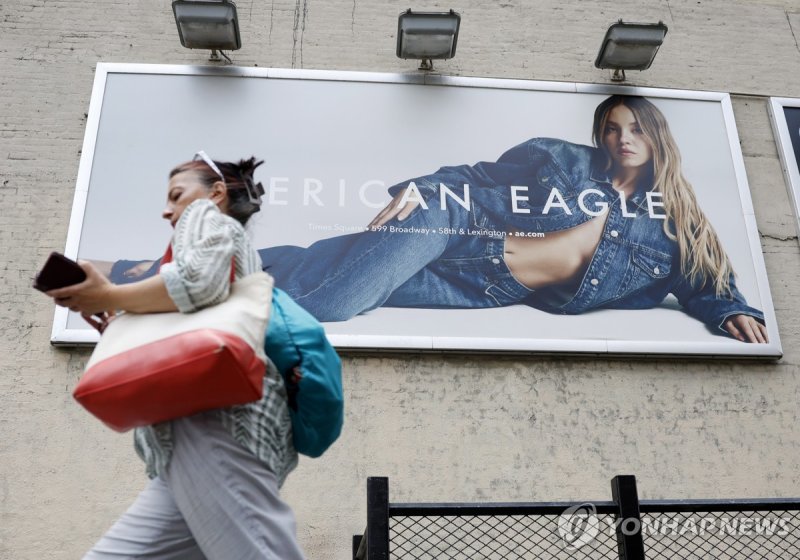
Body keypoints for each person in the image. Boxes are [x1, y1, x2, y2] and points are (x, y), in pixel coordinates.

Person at [106, 95, 767, 343]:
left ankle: (129, 275)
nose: (622, 139)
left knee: (314, 264)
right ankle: (144, 291)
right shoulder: (558, 158)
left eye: (634, 129)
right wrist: (423, 187)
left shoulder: (675, 223)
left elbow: (709, 282)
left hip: (485, 285)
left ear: (657, 137)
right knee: (336, 300)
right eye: (611, 128)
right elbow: (476, 179)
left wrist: (731, 310)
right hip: (457, 225)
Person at [47, 153, 305, 559]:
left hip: (215, 426)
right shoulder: (234, 255)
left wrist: (107, 294)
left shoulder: (204, 217)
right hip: (195, 441)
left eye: (176, 194)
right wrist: (121, 318)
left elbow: (198, 282)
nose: (167, 209)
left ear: (215, 193)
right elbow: (201, 293)